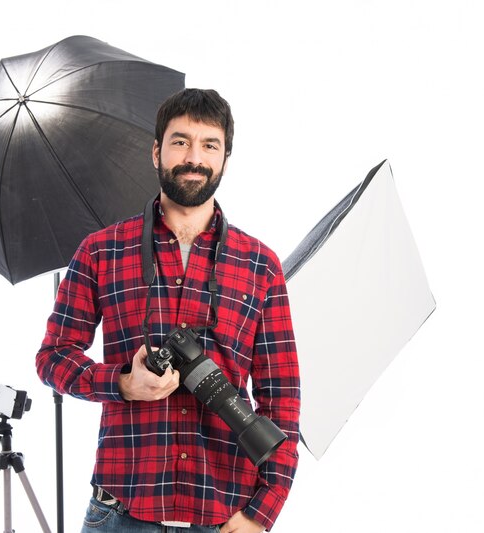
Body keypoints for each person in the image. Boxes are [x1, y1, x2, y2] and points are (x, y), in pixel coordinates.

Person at [36, 89, 300, 533]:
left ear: (225, 158)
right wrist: (121, 383)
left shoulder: (261, 266)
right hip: (120, 513)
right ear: (156, 151)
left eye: (208, 145)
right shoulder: (101, 251)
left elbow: (283, 398)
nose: (193, 157)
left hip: (223, 516)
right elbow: (52, 358)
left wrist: (262, 511)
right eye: (180, 142)